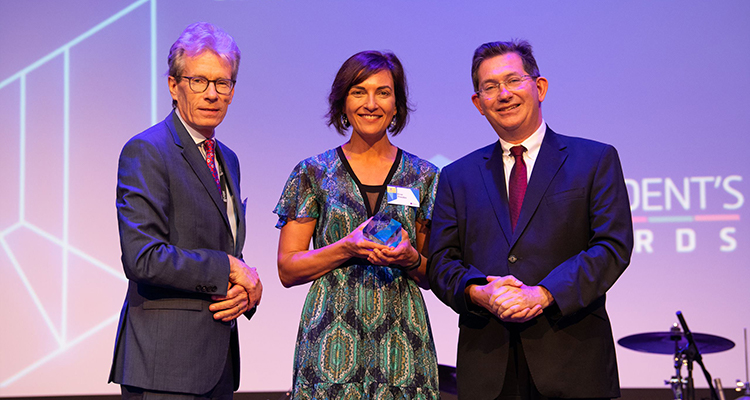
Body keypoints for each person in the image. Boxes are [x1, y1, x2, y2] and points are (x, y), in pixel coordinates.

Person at [427, 40, 634, 400]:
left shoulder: (594, 159)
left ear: (539, 88)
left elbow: (612, 246)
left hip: (574, 362)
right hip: (488, 368)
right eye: (490, 87)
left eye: (513, 81)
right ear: (479, 104)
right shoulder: (457, 176)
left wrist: (544, 293)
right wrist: (479, 292)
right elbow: (441, 261)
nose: (503, 94)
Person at [274, 51, 440, 399]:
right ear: (342, 103)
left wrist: (409, 258)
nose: (371, 103)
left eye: (383, 92)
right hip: (329, 341)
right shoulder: (313, 173)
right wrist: (345, 247)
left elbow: (432, 274)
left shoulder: (424, 176)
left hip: (403, 341)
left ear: (397, 105)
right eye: (358, 91)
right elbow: (288, 270)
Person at [109, 22, 262, 399]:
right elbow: (143, 258)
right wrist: (229, 268)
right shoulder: (147, 150)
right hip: (164, 369)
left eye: (222, 83)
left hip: (218, 366)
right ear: (173, 86)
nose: (212, 94)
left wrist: (244, 292)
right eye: (199, 81)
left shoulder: (228, 159)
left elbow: (221, 245)